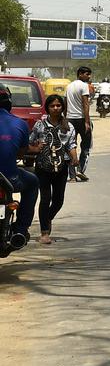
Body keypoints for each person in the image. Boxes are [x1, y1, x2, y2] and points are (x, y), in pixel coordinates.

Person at [28, 95, 77, 245]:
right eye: (52, 106)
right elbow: (29, 142)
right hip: (43, 167)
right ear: (47, 108)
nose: (56, 108)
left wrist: (75, 157)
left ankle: (47, 218)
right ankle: (44, 232)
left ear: (62, 107)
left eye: (58, 106)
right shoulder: (40, 125)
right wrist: (36, 148)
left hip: (61, 168)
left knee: (58, 201)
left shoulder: (68, 126)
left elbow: (71, 144)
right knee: (45, 199)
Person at [0, 86, 38, 248]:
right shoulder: (19, 123)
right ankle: (21, 230)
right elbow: (21, 155)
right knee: (33, 182)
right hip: (10, 179)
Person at [65, 66, 93, 182]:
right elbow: (85, 104)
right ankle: (80, 170)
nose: (89, 76)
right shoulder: (84, 86)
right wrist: (87, 122)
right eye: (87, 74)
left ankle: (72, 176)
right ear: (80, 74)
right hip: (81, 119)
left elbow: (65, 104)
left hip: (70, 119)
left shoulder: (69, 86)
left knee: (71, 146)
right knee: (86, 146)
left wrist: (64, 119)